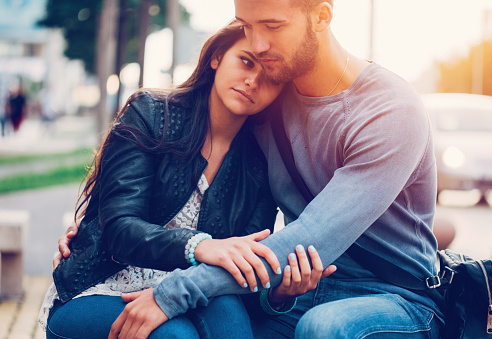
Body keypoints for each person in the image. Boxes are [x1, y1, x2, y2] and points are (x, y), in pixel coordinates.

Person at [58, 1, 444, 338]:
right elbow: (234, 238)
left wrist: (172, 293)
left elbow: (308, 236)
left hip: (394, 295)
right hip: (302, 291)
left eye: (272, 27)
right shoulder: (269, 106)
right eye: (246, 26)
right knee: (221, 321)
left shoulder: (390, 110)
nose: (258, 45)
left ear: (321, 17)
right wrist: (95, 228)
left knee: (323, 328)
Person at [42, 20, 334, 339]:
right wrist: (200, 246)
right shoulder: (151, 113)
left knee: (230, 315)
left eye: (269, 76)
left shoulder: (260, 163)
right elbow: (120, 230)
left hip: (191, 295)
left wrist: (279, 295)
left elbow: (241, 277)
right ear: (217, 58)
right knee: (177, 336)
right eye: (246, 62)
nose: (252, 81)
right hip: (101, 286)